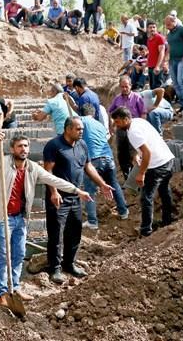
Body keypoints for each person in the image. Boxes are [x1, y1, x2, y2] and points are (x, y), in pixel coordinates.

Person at [0, 132, 95, 304]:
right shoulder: (3, 162)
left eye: (26, 146)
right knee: (3, 255)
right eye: (20, 146)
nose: (24, 149)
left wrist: (76, 190)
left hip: (20, 218)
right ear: (12, 148)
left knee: (19, 254)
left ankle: (16, 287)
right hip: (3, 217)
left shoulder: (32, 167)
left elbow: (53, 179)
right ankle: (2, 293)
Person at [43, 117, 114, 283]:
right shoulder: (54, 146)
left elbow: (88, 167)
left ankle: (70, 263)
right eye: (78, 129)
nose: (81, 131)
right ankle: (55, 268)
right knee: (56, 233)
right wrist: (53, 192)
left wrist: (102, 184)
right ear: (68, 129)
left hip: (76, 195)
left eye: (82, 129)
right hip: (58, 197)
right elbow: (47, 172)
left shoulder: (82, 145)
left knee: (75, 230)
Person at [111, 107, 176, 237]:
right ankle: (168, 219)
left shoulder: (133, 132)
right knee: (164, 190)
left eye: (117, 122)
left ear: (126, 119)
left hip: (157, 165)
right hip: (168, 159)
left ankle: (146, 230)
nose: (116, 125)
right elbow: (143, 144)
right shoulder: (139, 122)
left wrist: (141, 173)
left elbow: (147, 152)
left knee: (146, 197)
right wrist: (136, 154)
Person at [80, 104, 128, 230]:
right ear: (94, 113)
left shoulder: (81, 121)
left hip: (94, 161)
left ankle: (92, 221)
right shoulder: (99, 124)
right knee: (114, 184)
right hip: (108, 158)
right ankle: (124, 212)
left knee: (89, 190)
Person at [108, 77, 146, 179]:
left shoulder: (137, 97)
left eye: (126, 86)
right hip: (121, 129)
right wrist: (112, 125)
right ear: (120, 87)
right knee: (122, 153)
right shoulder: (117, 99)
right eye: (122, 87)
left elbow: (143, 113)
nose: (124, 89)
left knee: (134, 152)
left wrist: (141, 127)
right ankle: (127, 177)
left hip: (134, 128)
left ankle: (137, 176)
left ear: (130, 86)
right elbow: (111, 112)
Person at [165, 15, 183, 112]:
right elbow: (169, 47)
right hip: (172, 60)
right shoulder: (169, 34)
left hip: (182, 59)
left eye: (168, 24)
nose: (166, 26)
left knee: (181, 80)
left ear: (174, 22)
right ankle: (182, 101)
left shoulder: (182, 29)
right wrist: (166, 59)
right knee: (175, 82)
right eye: (166, 24)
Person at [146, 20, 167, 89]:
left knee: (158, 87)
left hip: (157, 66)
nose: (152, 29)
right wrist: (146, 64)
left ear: (156, 28)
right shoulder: (149, 39)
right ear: (147, 29)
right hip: (150, 66)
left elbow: (162, 52)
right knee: (152, 87)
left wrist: (158, 66)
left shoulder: (159, 38)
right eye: (150, 27)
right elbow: (150, 53)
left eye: (154, 27)